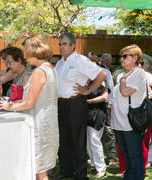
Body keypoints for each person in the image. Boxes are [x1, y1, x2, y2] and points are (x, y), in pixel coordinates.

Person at [1, 36, 59, 180]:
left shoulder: (39, 71)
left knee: (40, 171)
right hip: (48, 122)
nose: (25, 57)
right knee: (38, 169)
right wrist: (16, 103)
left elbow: (29, 103)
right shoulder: (50, 68)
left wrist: (9, 107)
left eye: (25, 51)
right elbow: (38, 98)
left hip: (40, 124)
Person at [53, 32, 106, 180]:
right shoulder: (59, 62)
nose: (61, 47)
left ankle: (81, 175)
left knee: (77, 140)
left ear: (72, 45)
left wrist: (88, 90)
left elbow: (102, 75)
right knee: (63, 140)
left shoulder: (80, 60)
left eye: (64, 44)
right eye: (59, 44)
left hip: (75, 103)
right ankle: (66, 171)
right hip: (60, 104)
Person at [110, 44, 146, 179]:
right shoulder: (124, 74)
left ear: (135, 58)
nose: (121, 60)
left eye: (125, 56)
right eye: (121, 57)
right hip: (120, 122)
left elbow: (125, 92)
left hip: (131, 122)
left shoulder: (139, 73)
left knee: (134, 154)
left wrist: (123, 81)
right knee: (126, 154)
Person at [98, 53, 117, 168]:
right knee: (95, 134)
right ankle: (97, 159)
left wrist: (109, 104)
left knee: (108, 132)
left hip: (105, 105)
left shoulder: (107, 72)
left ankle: (112, 159)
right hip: (93, 107)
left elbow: (111, 88)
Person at [86, 81, 108, 179]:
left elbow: (104, 97)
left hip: (97, 115)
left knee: (94, 141)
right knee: (88, 142)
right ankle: (93, 164)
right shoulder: (84, 84)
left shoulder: (100, 84)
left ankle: (101, 168)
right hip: (86, 116)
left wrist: (90, 101)